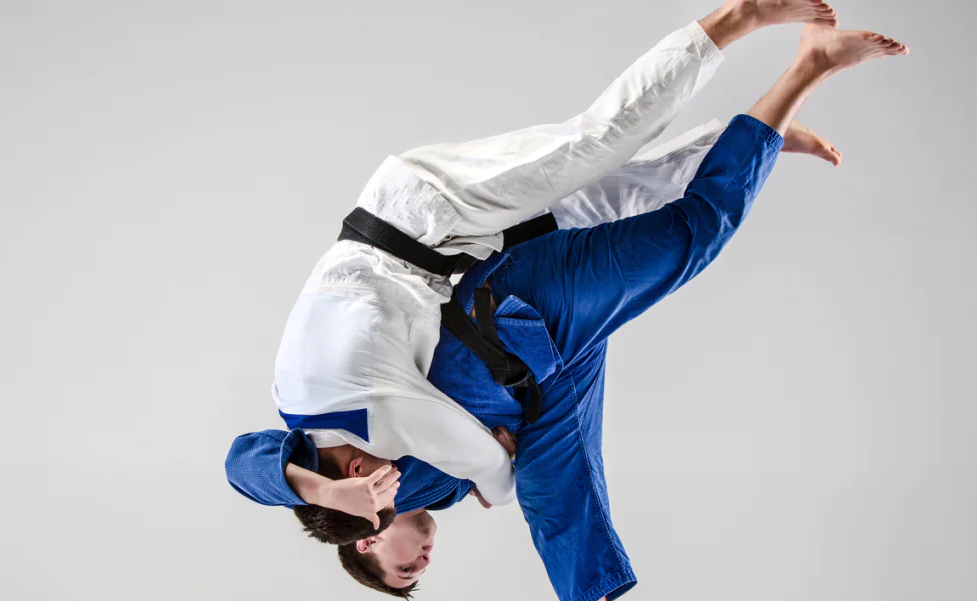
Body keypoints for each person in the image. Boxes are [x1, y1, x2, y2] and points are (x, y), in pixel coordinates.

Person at [231, 22, 909, 601]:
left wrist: (347, 485)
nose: (425, 560)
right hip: (504, 318)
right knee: (616, 200)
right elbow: (540, 481)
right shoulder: (397, 472)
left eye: (406, 566)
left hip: (439, 235)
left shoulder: (351, 433)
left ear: (367, 535)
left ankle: (754, 30)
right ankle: (755, 135)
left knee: (613, 157)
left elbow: (246, 464)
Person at [254, 0, 843, 511]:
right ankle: (752, 138)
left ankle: (737, 18)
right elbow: (251, 465)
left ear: (358, 470)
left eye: (387, 487)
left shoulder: (381, 423)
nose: (400, 478)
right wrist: (319, 490)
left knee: (598, 140)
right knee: (603, 203)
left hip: (424, 214)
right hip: (441, 243)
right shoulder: (293, 404)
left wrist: (493, 484)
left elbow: (488, 467)